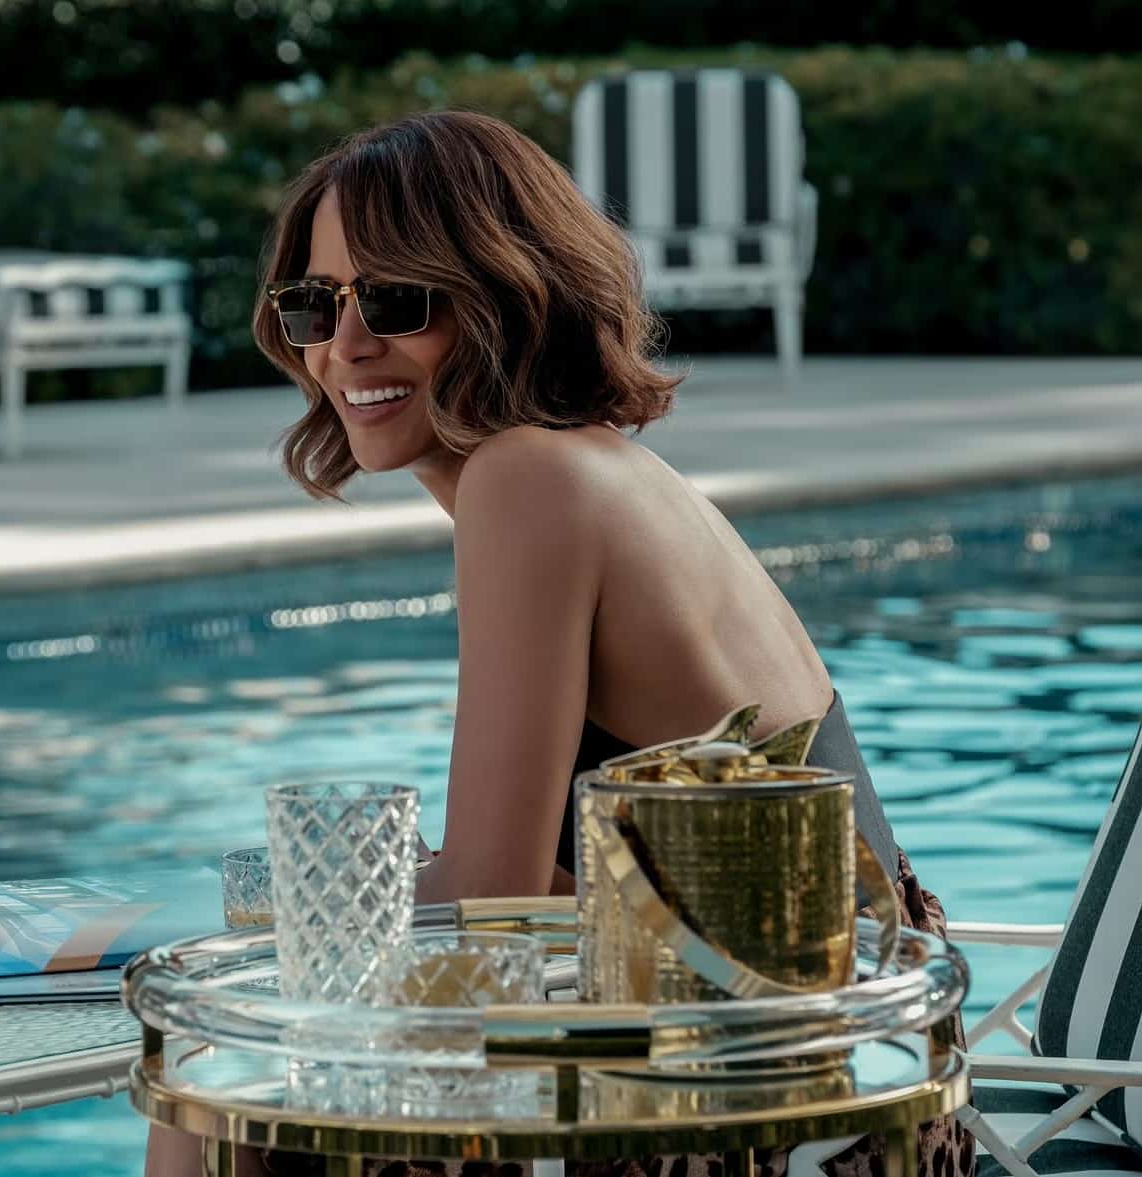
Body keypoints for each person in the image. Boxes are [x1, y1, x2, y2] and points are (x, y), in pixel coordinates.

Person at [147, 110, 972, 1177]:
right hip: (854, 1078)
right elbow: (555, 888)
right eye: (314, 305)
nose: (345, 346)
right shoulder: (592, 467)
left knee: (214, 1062)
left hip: (783, 1109)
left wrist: (238, 940)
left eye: (396, 301)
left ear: (504, 296)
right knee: (242, 1058)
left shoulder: (527, 479)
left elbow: (485, 898)